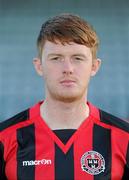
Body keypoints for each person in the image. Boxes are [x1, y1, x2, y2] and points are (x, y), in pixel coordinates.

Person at [0, 13, 129, 180]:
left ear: (94, 66)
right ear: (39, 66)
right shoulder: (5, 138)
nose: (68, 68)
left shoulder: (123, 138)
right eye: (56, 58)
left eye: (77, 58)